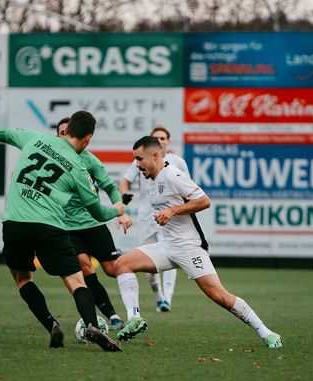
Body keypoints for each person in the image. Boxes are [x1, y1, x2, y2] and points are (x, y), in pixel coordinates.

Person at [0, 111, 123, 352]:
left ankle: (51, 325)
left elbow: (3, 134)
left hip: (15, 223)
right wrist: (117, 209)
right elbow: (99, 214)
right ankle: (93, 325)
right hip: (51, 226)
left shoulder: (35, 139)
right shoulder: (78, 169)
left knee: (23, 279)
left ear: (66, 128)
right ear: (88, 138)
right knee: (76, 280)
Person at [112, 136, 282, 348]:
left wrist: (172, 211)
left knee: (219, 295)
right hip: (166, 246)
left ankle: (265, 332)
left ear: (155, 156)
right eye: (135, 159)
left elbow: (204, 201)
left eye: (139, 159)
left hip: (189, 247)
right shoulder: (148, 178)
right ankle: (134, 318)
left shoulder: (173, 175)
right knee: (122, 264)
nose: (136, 164)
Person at [55, 117, 131, 330]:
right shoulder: (52, 159)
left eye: (67, 131)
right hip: (70, 229)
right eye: (61, 132)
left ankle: (134, 301)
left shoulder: (90, 161)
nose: (65, 135)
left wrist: (119, 211)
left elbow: (109, 186)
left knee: (111, 268)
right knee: (86, 268)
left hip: (94, 224)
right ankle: (113, 316)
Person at [118, 126, 189, 313]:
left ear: (167, 141)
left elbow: (187, 188)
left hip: (169, 216)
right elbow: (125, 181)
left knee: (172, 252)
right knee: (147, 260)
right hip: (146, 217)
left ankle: (167, 298)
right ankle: (158, 295)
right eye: (156, 137)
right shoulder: (140, 161)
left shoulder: (177, 163)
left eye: (163, 137)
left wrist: (180, 209)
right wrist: (124, 195)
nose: (160, 140)